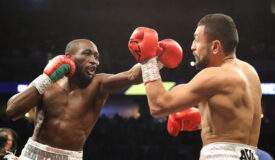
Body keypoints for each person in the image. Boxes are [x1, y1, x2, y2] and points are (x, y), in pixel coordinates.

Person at [129, 14, 262, 160]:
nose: (192, 46)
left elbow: (158, 105)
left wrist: (148, 60)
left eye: (197, 40)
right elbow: (239, 122)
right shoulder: (250, 73)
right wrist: (202, 120)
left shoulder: (215, 74)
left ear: (215, 46)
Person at [5, 39, 144, 160]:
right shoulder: (48, 82)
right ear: (68, 57)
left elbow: (132, 76)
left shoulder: (99, 84)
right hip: (32, 154)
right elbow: (12, 111)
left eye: (96, 57)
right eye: (87, 53)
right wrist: (46, 78)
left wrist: (154, 56)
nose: (94, 60)